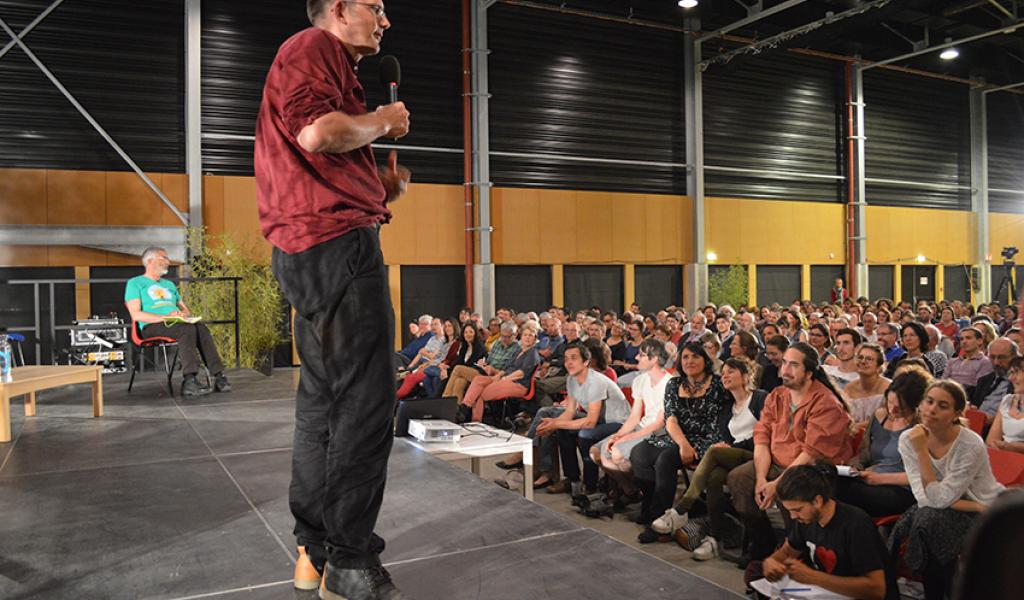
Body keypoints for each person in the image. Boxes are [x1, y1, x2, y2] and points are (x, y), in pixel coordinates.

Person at [253, 0, 413, 596]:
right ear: (340, 9)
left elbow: (316, 148)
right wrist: (384, 121)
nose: (385, 20)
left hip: (305, 251)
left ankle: (312, 554)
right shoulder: (314, 46)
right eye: (376, 7)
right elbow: (318, 133)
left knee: (321, 406)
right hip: (340, 250)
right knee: (366, 408)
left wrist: (378, 182)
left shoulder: (311, 60)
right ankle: (350, 561)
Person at [727, 343, 853, 564]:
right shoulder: (778, 395)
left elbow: (811, 453)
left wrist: (776, 484)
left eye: (793, 365)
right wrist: (760, 478)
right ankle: (764, 541)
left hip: (812, 469)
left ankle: (796, 551)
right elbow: (762, 437)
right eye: (784, 363)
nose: (784, 370)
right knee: (739, 479)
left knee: (790, 489)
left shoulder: (826, 403)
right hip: (779, 462)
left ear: (809, 372)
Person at [892, 380, 1005, 600]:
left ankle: (942, 592)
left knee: (928, 522)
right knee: (927, 520)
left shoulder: (970, 444)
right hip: (968, 506)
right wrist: (976, 506)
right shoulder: (908, 439)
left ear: (956, 414)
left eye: (942, 406)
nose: (932, 409)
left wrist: (922, 451)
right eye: (929, 401)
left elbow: (940, 498)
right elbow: (925, 497)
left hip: (983, 508)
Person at [651, 357, 766, 560]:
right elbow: (726, 438)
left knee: (713, 451)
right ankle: (714, 538)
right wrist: (727, 447)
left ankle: (682, 508)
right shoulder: (726, 409)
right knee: (713, 478)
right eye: (723, 373)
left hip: (758, 454)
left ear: (746, 375)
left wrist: (729, 447)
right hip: (734, 457)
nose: (725, 376)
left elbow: (765, 435)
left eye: (731, 371)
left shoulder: (759, 398)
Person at [750, 462, 896, 600]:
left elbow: (877, 589)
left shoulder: (856, 524)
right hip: (826, 591)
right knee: (755, 571)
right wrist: (772, 561)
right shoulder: (806, 519)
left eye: (797, 510)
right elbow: (788, 551)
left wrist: (814, 577)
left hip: (851, 595)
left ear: (817, 501)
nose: (793, 516)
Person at [631, 342, 728, 542]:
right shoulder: (674, 384)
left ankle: (660, 520)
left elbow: (723, 420)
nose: (690, 361)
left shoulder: (718, 384)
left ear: (705, 360)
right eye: (685, 357)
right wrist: (683, 443)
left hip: (706, 438)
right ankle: (654, 500)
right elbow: (671, 419)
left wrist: (687, 445)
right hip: (677, 435)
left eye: (695, 357)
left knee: (665, 460)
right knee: (639, 454)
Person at [125, 247, 232, 397]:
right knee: (186, 329)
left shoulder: (168, 285)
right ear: (150, 261)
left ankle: (219, 376)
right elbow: (136, 315)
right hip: (152, 326)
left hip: (176, 323)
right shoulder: (135, 283)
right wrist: (166, 318)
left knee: (200, 327)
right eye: (163, 258)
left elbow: (186, 310)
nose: (168, 261)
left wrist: (182, 314)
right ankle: (189, 380)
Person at [836, 369, 930, 518]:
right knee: (826, 478)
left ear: (915, 405)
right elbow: (864, 455)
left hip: (901, 489)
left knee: (843, 493)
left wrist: (878, 479)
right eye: (890, 403)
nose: (892, 410)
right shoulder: (881, 416)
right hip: (871, 478)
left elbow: (926, 475)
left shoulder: (923, 428)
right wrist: (855, 468)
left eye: (900, 407)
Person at [539, 342, 630, 495]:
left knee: (585, 435)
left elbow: (590, 422)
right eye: (566, 358)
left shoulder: (596, 381)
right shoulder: (572, 379)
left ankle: (590, 485)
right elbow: (569, 412)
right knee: (563, 430)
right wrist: (554, 423)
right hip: (600, 420)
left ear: (586, 361)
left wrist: (556, 424)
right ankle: (572, 479)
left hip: (619, 422)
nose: (568, 362)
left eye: (573, 358)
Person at [592, 339, 675, 505]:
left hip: (660, 432)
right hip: (642, 426)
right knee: (595, 452)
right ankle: (630, 490)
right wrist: (618, 435)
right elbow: (634, 417)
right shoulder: (640, 380)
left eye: (642, 355)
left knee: (616, 453)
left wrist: (624, 440)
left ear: (655, 359)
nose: (636, 357)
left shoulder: (670, 383)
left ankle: (637, 489)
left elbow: (659, 424)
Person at [457, 323, 541, 423]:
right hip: (505, 378)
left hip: (518, 384)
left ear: (535, 339)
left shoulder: (532, 353)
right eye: (525, 335)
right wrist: (498, 376)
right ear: (521, 337)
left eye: (530, 335)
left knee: (480, 393)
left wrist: (505, 379)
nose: (527, 338)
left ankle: (475, 421)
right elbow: (507, 368)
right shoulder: (519, 352)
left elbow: (522, 373)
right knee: (478, 380)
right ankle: (465, 406)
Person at [443, 321, 519, 403]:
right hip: (484, 371)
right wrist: (484, 364)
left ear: (515, 335)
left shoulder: (517, 348)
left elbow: (510, 369)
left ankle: (444, 400)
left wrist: (493, 370)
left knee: (458, 369)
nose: (505, 339)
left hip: (496, 376)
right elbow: (488, 360)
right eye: (503, 336)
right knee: (459, 381)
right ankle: (455, 411)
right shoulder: (497, 343)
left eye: (508, 337)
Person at [394, 317, 450, 399]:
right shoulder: (432, 339)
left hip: (430, 364)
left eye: (436, 324)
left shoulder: (444, 340)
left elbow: (433, 356)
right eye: (432, 324)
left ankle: (395, 396)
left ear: (442, 326)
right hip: (422, 362)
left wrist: (425, 355)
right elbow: (420, 353)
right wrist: (411, 365)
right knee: (405, 375)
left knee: (410, 376)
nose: (433, 326)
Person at [970, 337, 1019, 424]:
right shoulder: (984, 380)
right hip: (978, 424)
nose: (996, 362)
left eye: (1002, 357)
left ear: (1015, 357)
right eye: (992, 357)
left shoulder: (1019, 382)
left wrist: (995, 420)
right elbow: (975, 405)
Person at [842, 343, 891, 426]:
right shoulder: (848, 388)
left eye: (869, 359)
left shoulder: (889, 388)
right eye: (860, 357)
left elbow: (887, 419)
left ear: (878, 367)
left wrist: (857, 427)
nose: (863, 361)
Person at [985, 355, 1024, 454]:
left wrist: (1012, 447)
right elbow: (991, 440)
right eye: (1010, 373)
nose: (1011, 378)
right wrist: (999, 446)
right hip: (1004, 457)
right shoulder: (1007, 400)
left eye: (1016, 372)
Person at [943, 326, 993, 397]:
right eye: (961, 339)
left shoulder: (985, 362)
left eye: (968, 338)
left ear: (980, 341)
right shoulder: (952, 361)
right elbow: (943, 382)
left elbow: (979, 388)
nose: (964, 341)